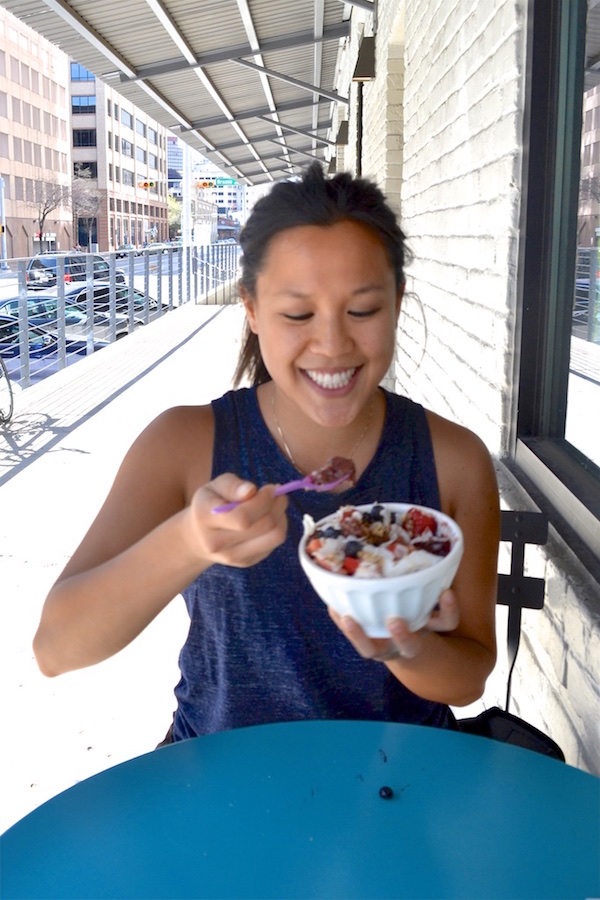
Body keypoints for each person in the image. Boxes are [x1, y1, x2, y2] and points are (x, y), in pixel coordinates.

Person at [33, 163, 500, 741]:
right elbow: (56, 647)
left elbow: (469, 677)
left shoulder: (454, 460)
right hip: (220, 772)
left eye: (363, 311)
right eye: (298, 314)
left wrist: (402, 647)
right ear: (251, 310)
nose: (332, 345)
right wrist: (188, 541)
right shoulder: (185, 444)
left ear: (398, 303)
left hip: (396, 776)